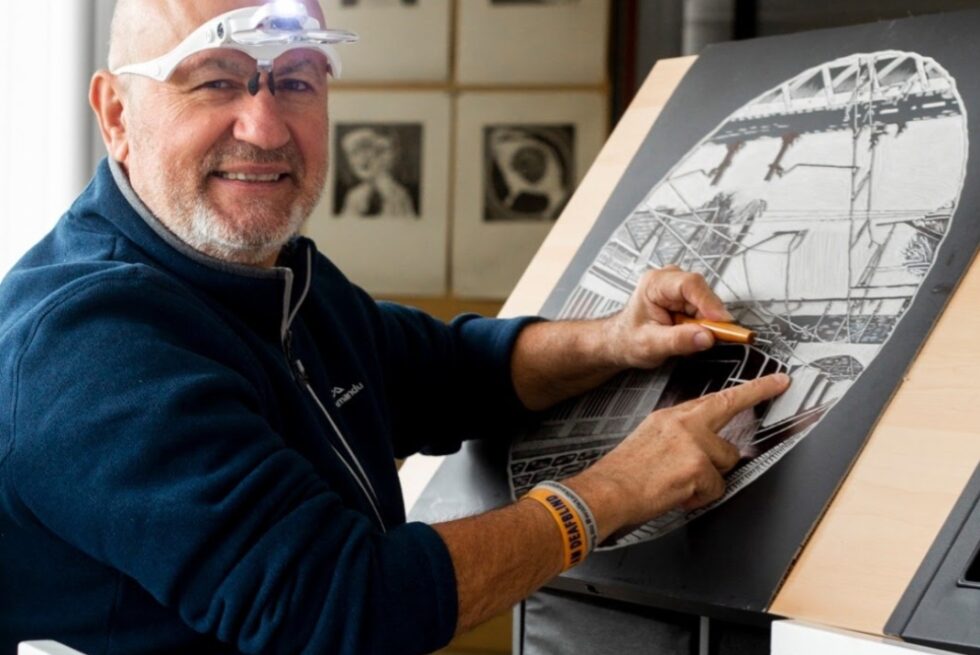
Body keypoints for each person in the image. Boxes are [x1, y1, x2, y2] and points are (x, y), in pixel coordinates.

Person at [0, 1, 789, 653]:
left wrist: (612, 338)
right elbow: (342, 606)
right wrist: (612, 492)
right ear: (116, 112)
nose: (266, 127)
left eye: (297, 82)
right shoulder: (89, 342)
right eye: (216, 81)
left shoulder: (268, 274)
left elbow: (440, 369)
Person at [338, 126, 417, 217]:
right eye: (375, 151)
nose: (380, 158)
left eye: (382, 151)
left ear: (396, 154)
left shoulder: (400, 196)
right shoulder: (354, 196)